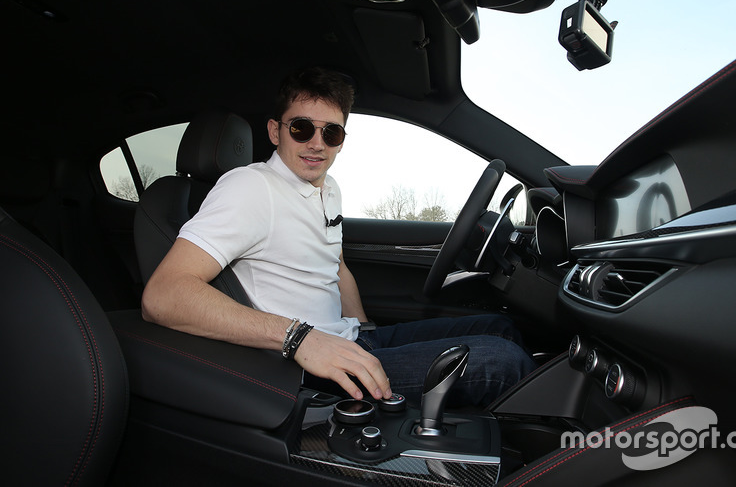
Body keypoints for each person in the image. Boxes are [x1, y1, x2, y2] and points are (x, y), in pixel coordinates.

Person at [142, 66, 534, 407]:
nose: (317, 143)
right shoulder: (249, 188)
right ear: (275, 131)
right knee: (501, 362)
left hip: (347, 340)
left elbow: (337, 265)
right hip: (299, 365)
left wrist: (363, 329)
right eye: (301, 128)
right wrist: (301, 339)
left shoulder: (329, 188)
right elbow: (164, 295)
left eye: (331, 133)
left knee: (500, 328)